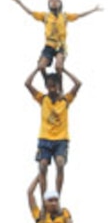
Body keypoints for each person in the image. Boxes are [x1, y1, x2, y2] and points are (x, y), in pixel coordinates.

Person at [7, 0, 102, 73]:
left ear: (60, 4)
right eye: (51, 0)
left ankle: (59, 85)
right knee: (41, 67)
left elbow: (79, 15)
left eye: (56, 0)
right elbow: (30, 12)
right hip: (49, 45)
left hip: (61, 46)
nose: (54, 2)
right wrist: (18, 2)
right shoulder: (45, 16)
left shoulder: (65, 16)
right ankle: (47, 82)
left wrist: (93, 10)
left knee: (58, 66)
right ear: (49, 4)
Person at [25, 67, 82, 197]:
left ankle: (57, 196)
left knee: (60, 164)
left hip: (61, 139)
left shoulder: (65, 100)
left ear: (58, 86)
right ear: (46, 87)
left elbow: (78, 84)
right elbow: (27, 84)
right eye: (49, 86)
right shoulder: (43, 99)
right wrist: (38, 69)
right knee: (43, 166)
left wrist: (64, 70)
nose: (52, 89)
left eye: (54, 86)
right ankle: (44, 198)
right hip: (45, 138)